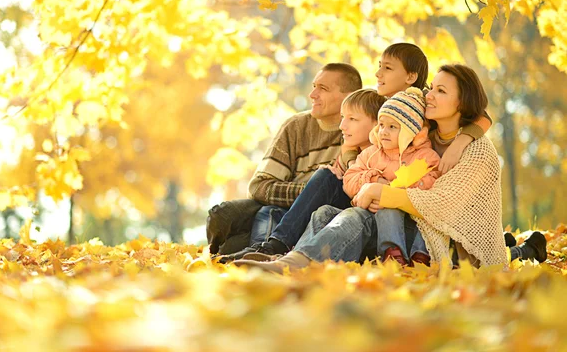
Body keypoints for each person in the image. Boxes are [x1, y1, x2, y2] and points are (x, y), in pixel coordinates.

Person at [234, 64, 546, 273]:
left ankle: (295, 265)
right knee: (326, 214)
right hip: (395, 226)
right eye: (431, 88)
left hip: (440, 243)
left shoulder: (477, 151)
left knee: (356, 216)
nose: (429, 95)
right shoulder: (422, 132)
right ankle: (291, 259)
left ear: (462, 102)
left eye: (440, 91)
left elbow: (440, 204)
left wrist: (377, 190)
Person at [206, 63, 362, 255]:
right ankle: (260, 251)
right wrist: (309, 193)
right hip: (281, 212)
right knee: (222, 214)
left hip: (325, 213)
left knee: (238, 242)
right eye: (314, 86)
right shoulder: (296, 127)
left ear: (349, 97)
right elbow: (259, 186)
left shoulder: (363, 130)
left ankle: (261, 252)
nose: (312, 95)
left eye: (323, 89)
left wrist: (316, 192)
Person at [219, 89, 386, 262]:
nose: (342, 125)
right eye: (343, 118)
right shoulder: (348, 150)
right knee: (275, 210)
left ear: (377, 125)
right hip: (343, 209)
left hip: (364, 222)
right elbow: (258, 187)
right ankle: (274, 249)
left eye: (352, 119)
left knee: (325, 177)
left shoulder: (385, 154)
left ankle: (276, 246)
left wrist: (351, 166)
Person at [343, 87, 441, 267]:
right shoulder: (371, 154)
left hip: (413, 219)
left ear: (411, 131)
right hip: (377, 220)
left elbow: (435, 184)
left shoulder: (426, 156)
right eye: (381, 125)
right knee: (386, 207)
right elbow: (349, 179)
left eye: (392, 127)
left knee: (425, 214)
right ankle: (392, 254)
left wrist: (401, 191)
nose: (384, 132)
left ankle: (421, 254)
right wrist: (374, 180)